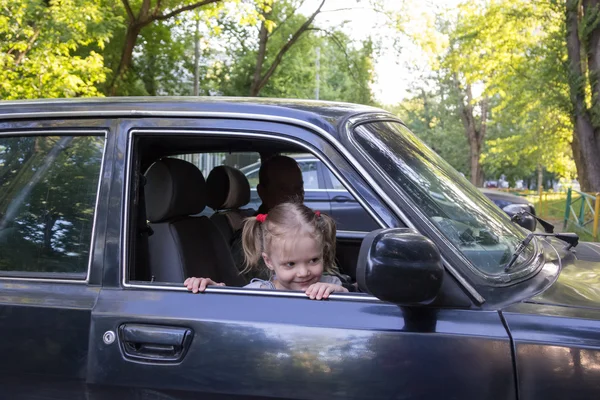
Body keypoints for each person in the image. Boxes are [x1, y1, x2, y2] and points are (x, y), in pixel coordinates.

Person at [184, 202, 348, 300]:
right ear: (269, 261)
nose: (304, 272)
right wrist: (213, 290)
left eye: (313, 260)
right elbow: (232, 303)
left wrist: (338, 292)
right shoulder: (260, 293)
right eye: (290, 264)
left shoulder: (329, 284)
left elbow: (349, 305)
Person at [230, 154, 305, 280]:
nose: (295, 196)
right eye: (283, 189)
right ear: (262, 192)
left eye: (298, 188)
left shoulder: (305, 226)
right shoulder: (250, 240)